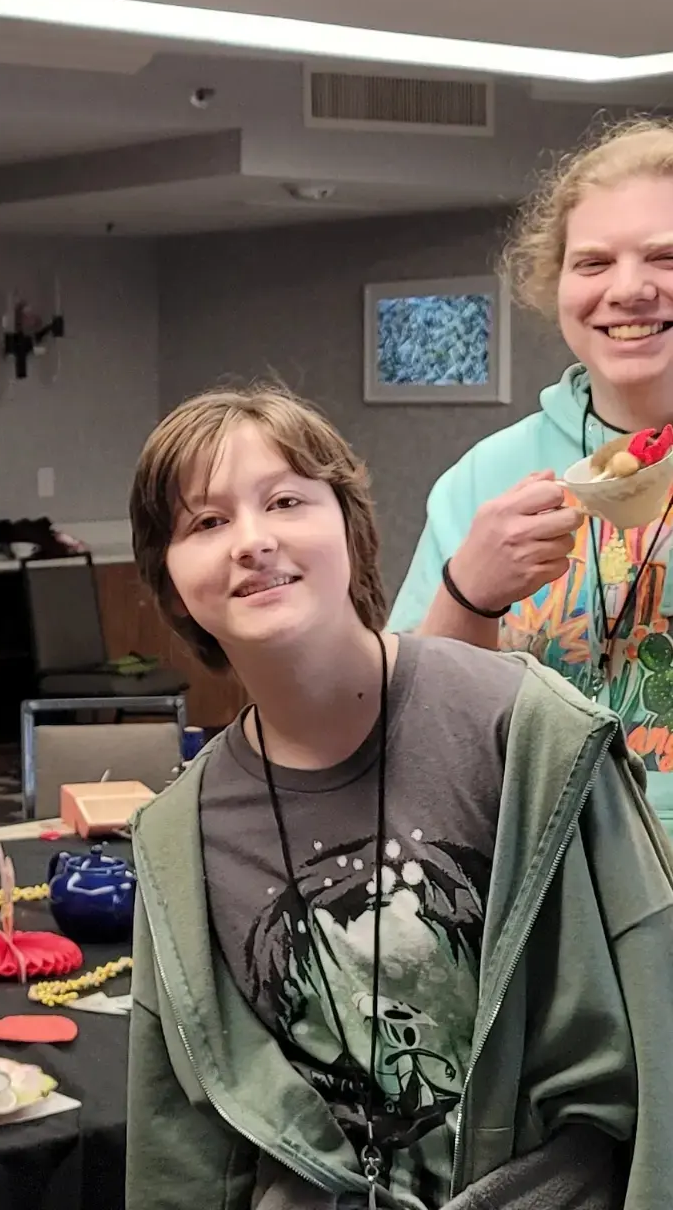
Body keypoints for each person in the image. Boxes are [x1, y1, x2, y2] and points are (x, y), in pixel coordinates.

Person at [124, 385, 673, 1209]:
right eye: (206, 522)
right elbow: (182, 1149)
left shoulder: (528, 731)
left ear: (352, 529)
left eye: (285, 500)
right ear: (170, 584)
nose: (253, 540)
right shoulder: (179, 837)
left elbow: (659, 1032)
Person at [390, 118, 673, 830]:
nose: (628, 289)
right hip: (530, 863)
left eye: (666, 257)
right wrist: (469, 592)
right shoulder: (485, 477)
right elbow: (408, 728)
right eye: (593, 263)